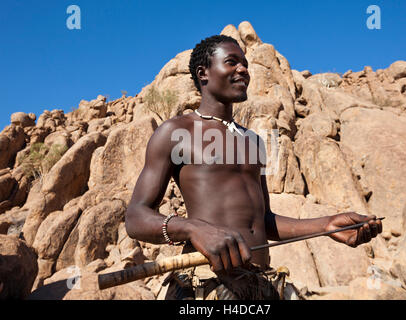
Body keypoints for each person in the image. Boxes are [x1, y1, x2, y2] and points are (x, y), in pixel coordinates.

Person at [125, 35, 382, 300]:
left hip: (262, 283)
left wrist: (328, 225)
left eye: (245, 63)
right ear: (203, 73)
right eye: (232, 62)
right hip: (206, 286)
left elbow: (264, 221)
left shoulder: (252, 141)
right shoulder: (176, 131)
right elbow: (135, 217)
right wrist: (193, 228)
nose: (243, 69)